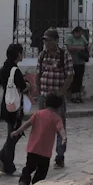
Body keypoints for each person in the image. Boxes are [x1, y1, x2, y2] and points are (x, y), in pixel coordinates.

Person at [11, 92, 67, 185]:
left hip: (33, 148)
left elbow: (27, 124)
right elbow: (61, 128)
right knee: (42, 170)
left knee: (29, 167)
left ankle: (24, 182)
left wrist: (17, 131)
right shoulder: (57, 118)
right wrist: (64, 137)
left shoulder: (38, 113)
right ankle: (37, 184)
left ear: (45, 103)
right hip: (45, 152)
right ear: (58, 107)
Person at [36, 29, 74, 168]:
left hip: (57, 97)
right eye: (45, 40)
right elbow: (38, 74)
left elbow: (70, 75)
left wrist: (62, 92)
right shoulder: (42, 55)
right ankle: (42, 154)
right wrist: (39, 92)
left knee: (60, 126)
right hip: (45, 96)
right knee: (43, 127)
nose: (46, 43)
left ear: (56, 41)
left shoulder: (64, 55)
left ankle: (60, 155)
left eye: (49, 40)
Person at [0, 43, 29, 175]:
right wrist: (27, 84)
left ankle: (4, 158)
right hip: (14, 107)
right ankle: (7, 163)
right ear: (17, 54)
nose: (23, 55)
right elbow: (23, 87)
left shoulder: (5, 68)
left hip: (7, 104)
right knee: (14, 134)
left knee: (14, 133)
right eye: (21, 52)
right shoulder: (15, 70)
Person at [65, 26, 90, 103]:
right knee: (74, 79)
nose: (80, 35)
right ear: (75, 32)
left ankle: (78, 95)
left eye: (81, 33)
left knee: (80, 78)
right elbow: (69, 47)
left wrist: (85, 49)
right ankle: (73, 95)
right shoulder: (70, 37)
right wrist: (79, 48)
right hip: (73, 61)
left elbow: (87, 45)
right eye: (78, 33)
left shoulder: (82, 37)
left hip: (81, 61)